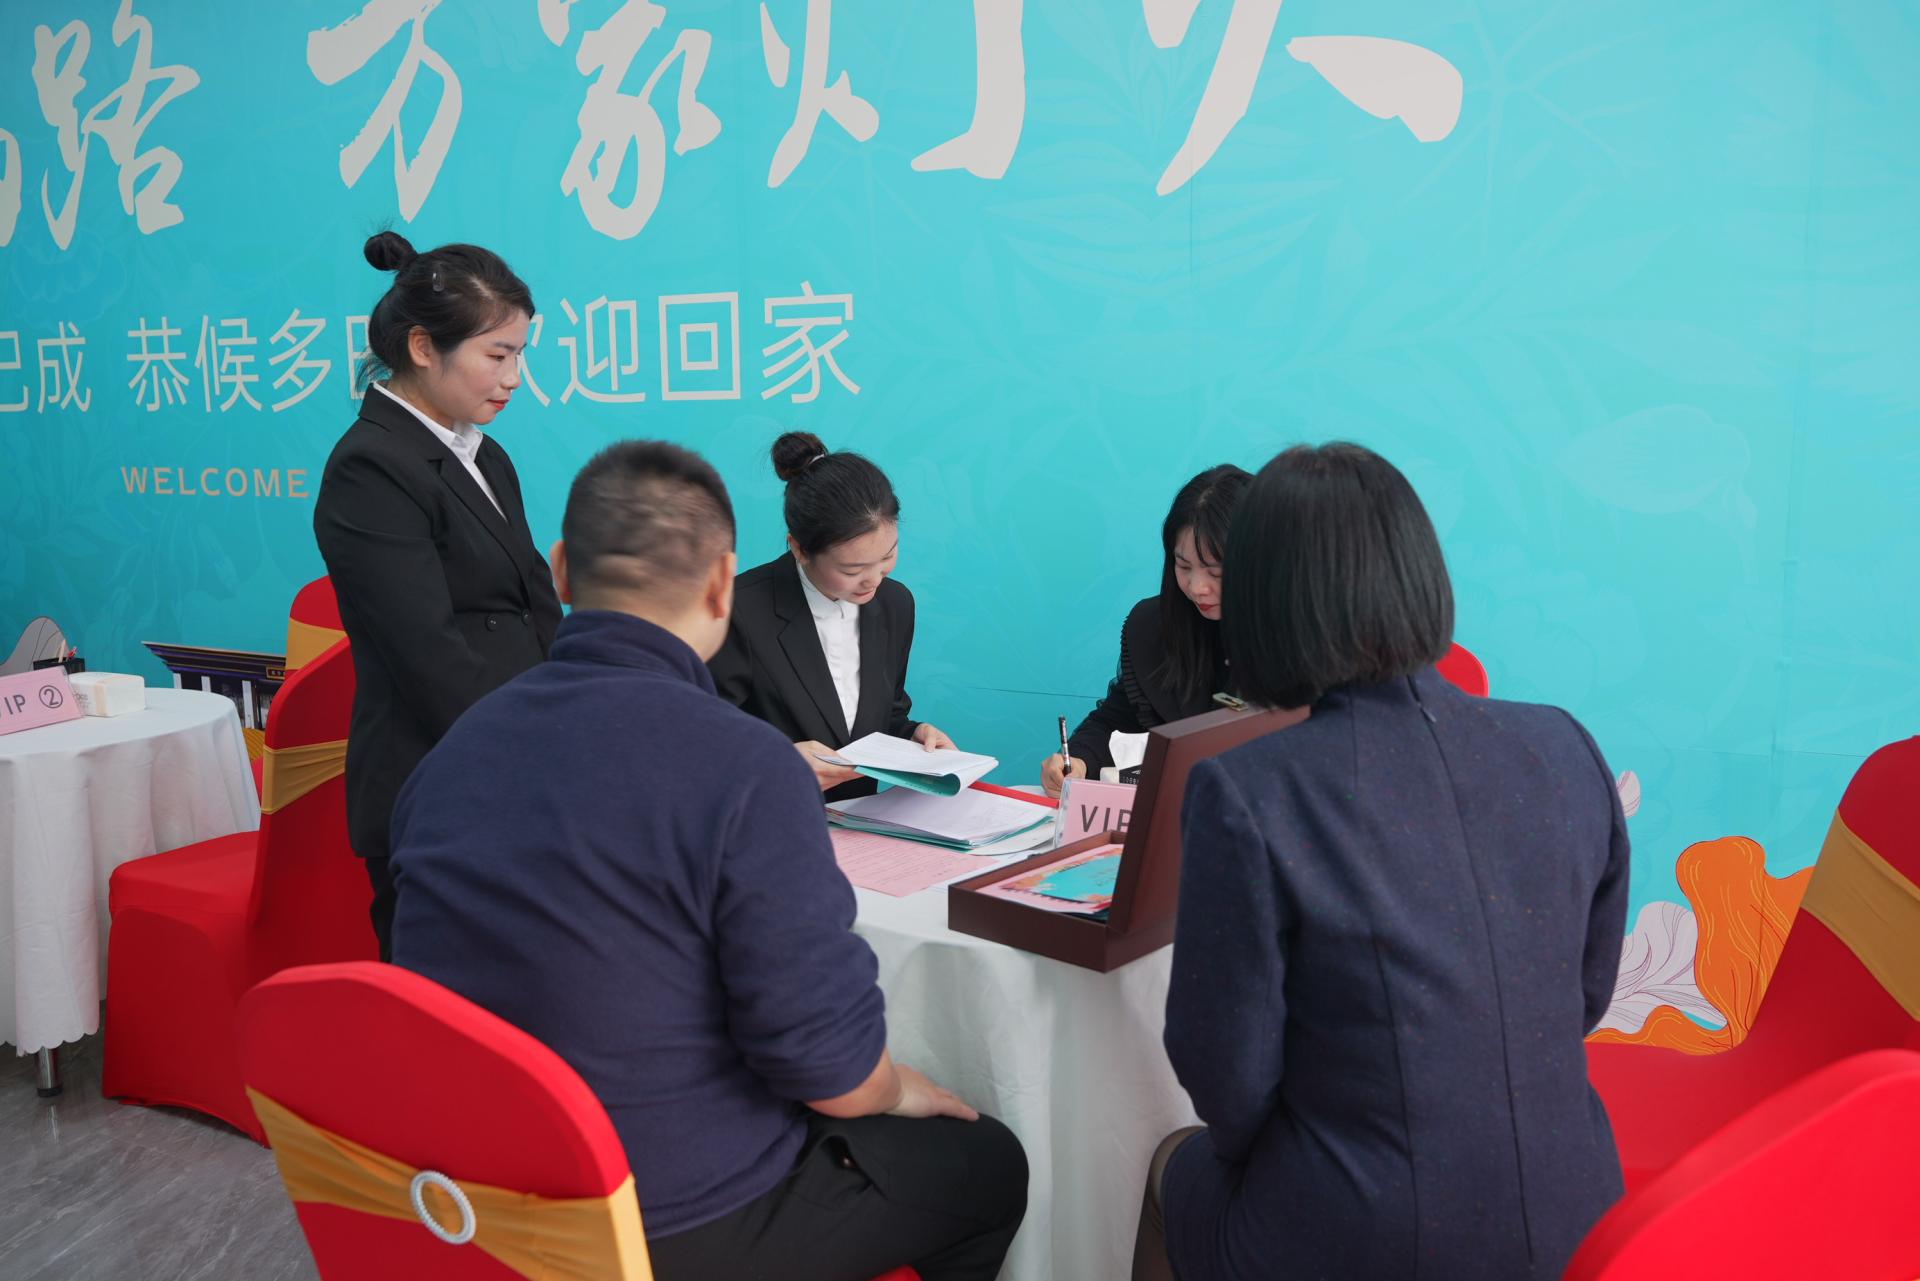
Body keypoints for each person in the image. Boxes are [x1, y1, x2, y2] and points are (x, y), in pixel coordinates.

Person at [389, 441, 1027, 1281]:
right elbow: (829, 1070)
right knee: (989, 1163)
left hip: (463, 1200)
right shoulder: (745, 768)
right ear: (726, 582)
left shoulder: (452, 752)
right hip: (673, 1216)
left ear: (561, 569)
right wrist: (901, 1088)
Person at [1132, 443, 1629, 1281]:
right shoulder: (1562, 743)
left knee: (1165, 1164)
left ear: (1265, 600)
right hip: (1584, 1209)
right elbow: (1586, 991)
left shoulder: (1248, 790)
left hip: (1368, 1229)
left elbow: (1225, 1075)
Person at [313, 231, 561, 960]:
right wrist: (531, 753)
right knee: (446, 1004)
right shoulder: (370, 466)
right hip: (441, 786)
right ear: (424, 347)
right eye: (498, 355)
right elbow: (428, 653)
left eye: (519, 354)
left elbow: (537, 605)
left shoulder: (485, 452)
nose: (515, 377)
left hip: (522, 764)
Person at [710, 431, 955, 799]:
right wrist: (776, 760)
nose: (873, 580)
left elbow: (883, 716)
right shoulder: (737, 610)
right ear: (800, 549)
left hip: (862, 822)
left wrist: (912, 735)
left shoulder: (895, 603)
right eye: (852, 569)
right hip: (766, 816)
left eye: (887, 556)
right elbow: (698, 740)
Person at [1041, 464, 1250, 796]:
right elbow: (1119, 719)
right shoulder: (1152, 626)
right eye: (1183, 566)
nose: (1197, 587)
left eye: (1216, 572)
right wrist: (1079, 761)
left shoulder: (1302, 645)